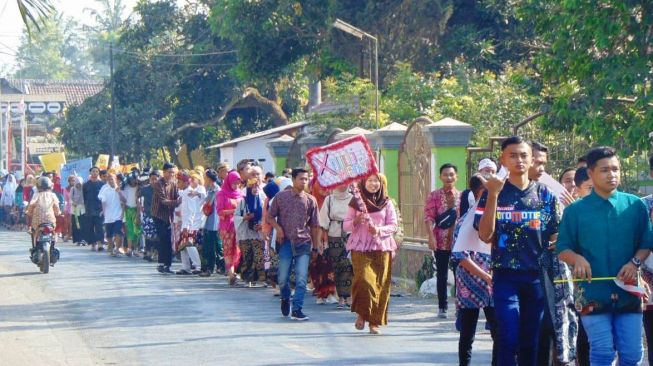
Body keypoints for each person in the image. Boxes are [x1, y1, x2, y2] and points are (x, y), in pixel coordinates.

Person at [558, 146, 652, 366]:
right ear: (590, 173)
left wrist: (635, 262)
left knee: (632, 354)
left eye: (615, 169)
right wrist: (577, 259)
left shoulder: (635, 205)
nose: (612, 174)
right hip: (591, 292)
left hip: (629, 291)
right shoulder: (575, 211)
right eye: (605, 170)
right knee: (602, 351)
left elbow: (647, 242)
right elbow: (562, 248)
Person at [476, 136, 560, 366]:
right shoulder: (493, 192)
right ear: (503, 160)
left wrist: (558, 242)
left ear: (532, 159)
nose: (519, 160)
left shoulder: (545, 195)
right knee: (508, 335)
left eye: (524, 155)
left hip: (537, 277)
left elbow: (554, 234)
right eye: (512, 155)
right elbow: (485, 235)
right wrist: (493, 194)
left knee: (530, 340)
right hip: (505, 275)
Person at [343, 173, 398, 334]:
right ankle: (362, 313)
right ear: (363, 182)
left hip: (382, 247)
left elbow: (393, 225)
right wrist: (355, 221)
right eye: (370, 180)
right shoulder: (355, 202)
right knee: (364, 281)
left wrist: (379, 230)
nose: (374, 184)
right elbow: (346, 226)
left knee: (381, 284)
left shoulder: (387, 202)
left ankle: (374, 322)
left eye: (377, 181)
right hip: (360, 247)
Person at [452, 175, 497, 366]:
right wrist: (486, 276)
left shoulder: (498, 219)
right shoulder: (464, 222)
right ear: (479, 193)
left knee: (499, 332)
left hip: (494, 284)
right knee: (467, 333)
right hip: (470, 284)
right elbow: (460, 256)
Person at [268, 168, 320, 321]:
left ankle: (297, 309)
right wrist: (278, 229)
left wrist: (316, 247)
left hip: (303, 243)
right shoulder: (281, 197)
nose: (304, 182)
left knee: (302, 278)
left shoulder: (311, 200)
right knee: (283, 278)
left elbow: (315, 226)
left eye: (306, 179)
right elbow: (270, 217)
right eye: (301, 179)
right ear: (293, 179)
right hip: (285, 243)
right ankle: (285, 298)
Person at [424, 163, 460, 318]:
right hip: (440, 240)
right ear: (440, 177)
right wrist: (431, 237)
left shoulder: (463, 196)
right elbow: (428, 217)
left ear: (456, 177)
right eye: (445, 175)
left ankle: (461, 305)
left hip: (459, 241)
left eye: (451, 174)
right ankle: (442, 306)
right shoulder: (434, 196)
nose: (449, 177)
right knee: (442, 274)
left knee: (460, 274)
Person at [319, 183, 354, 309]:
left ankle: (349, 295)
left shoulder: (353, 198)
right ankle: (341, 297)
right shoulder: (329, 199)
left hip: (350, 235)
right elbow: (323, 222)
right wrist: (324, 240)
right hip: (334, 235)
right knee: (337, 267)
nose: (342, 185)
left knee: (349, 266)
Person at [234, 178, 267, 286]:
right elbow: (235, 217)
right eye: (252, 187)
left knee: (259, 256)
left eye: (256, 187)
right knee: (247, 256)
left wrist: (261, 225)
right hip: (245, 234)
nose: (255, 189)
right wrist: (244, 218)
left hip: (257, 233)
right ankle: (247, 279)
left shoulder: (262, 202)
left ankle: (261, 279)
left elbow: (266, 218)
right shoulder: (243, 202)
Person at [151, 162, 180, 274]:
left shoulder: (174, 183)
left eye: (173, 172)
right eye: (169, 172)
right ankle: (161, 263)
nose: (172, 174)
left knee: (168, 240)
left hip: (169, 216)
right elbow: (163, 201)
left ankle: (167, 265)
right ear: (163, 172)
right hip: (158, 215)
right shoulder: (158, 184)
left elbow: (177, 196)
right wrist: (177, 202)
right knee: (163, 238)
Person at [217, 170, 244, 285]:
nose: (236, 186)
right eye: (234, 183)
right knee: (228, 250)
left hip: (239, 226)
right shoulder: (221, 194)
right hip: (227, 226)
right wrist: (234, 211)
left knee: (238, 250)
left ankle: (235, 272)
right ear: (228, 182)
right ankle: (231, 273)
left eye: (238, 183)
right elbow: (220, 211)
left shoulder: (242, 194)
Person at [176, 171, 206, 275]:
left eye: (179, 182)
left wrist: (187, 226)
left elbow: (192, 211)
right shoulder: (184, 193)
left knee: (189, 245)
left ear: (185, 183)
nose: (178, 184)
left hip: (190, 224)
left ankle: (197, 266)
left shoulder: (190, 193)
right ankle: (186, 267)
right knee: (182, 246)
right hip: (185, 223)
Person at [200, 169, 224, 277]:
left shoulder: (217, 191)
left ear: (209, 179)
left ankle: (214, 268)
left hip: (215, 223)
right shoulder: (210, 189)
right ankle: (212, 267)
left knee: (214, 246)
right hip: (209, 221)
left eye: (205, 178)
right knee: (209, 246)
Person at [26, 177, 61, 249]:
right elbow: (56, 208)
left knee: (33, 231)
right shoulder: (53, 195)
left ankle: (34, 248)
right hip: (50, 221)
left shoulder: (36, 195)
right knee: (54, 231)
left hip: (37, 222)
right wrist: (58, 213)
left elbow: (31, 206)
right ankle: (53, 247)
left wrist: (28, 213)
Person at [98, 173, 125, 257]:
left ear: (115, 179)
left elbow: (124, 200)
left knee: (118, 233)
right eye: (109, 179)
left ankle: (116, 249)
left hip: (118, 215)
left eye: (112, 179)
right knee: (109, 235)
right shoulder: (104, 189)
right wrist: (103, 211)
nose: (110, 180)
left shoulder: (120, 188)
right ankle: (111, 247)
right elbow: (103, 201)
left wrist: (119, 192)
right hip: (108, 216)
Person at [138, 170, 159, 262]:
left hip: (159, 216)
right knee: (148, 235)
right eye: (152, 179)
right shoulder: (145, 188)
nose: (153, 181)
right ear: (149, 179)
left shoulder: (161, 188)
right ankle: (148, 253)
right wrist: (139, 206)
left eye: (155, 179)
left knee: (157, 236)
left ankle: (156, 253)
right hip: (148, 215)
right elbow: (137, 197)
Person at [83, 167, 106, 251]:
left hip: (99, 209)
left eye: (96, 171)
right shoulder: (86, 185)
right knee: (90, 227)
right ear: (90, 173)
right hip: (89, 209)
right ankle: (93, 243)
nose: (95, 173)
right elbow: (84, 197)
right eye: (93, 171)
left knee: (99, 227)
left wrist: (103, 209)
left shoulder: (102, 184)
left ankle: (100, 244)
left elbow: (104, 197)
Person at [122, 173, 141, 257]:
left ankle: (136, 249)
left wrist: (138, 212)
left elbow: (139, 201)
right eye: (132, 179)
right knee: (130, 230)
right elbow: (124, 201)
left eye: (135, 179)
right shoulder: (126, 188)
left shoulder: (139, 188)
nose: (134, 181)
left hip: (137, 210)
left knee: (137, 230)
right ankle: (129, 249)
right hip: (128, 210)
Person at [70, 176, 85, 245]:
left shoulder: (84, 189)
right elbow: (70, 199)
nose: (78, 185)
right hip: (75, 209)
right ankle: (78, 239)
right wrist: (73, 203)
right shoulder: (72, 189)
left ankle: (83, 239)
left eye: (80, 183)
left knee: (83, 224)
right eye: (77, 183)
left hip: (82, 209)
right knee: (76, 225)